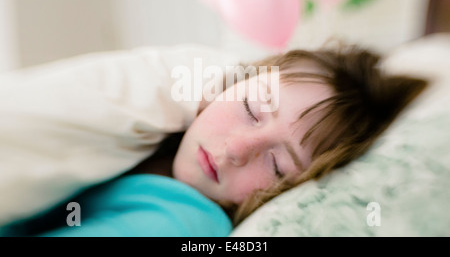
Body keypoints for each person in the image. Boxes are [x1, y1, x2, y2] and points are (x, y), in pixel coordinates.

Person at [0, 43, 427, 236]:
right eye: (250, 110)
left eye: (277, 166)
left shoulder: (186, 222)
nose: (237, 149)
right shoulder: (152, 138)